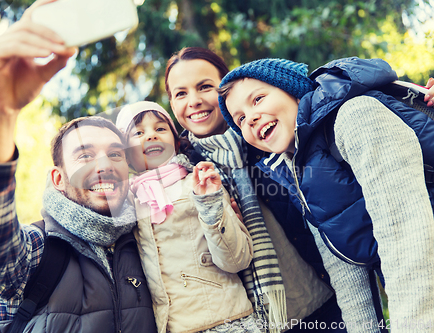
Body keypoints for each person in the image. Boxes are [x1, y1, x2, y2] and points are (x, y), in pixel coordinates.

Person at [0, 0, 157, 331]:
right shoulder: (38, 251)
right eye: (85, 155)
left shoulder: (149, 244)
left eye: (116, 154)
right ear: (58, 179)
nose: (104, 165)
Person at [218, 57, 434, 333]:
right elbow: (346, 273)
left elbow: (406, 234)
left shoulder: (355, 116)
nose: (250, 119)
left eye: (258, 99)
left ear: (291, 89)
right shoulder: (296, 170)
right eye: (240, 119)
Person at [164, 47, 343, 332]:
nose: (194, 101)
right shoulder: (177, 174)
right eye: (181, 93)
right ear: (172, 103)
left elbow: (326, 105)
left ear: (225, 90)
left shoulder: (268, 132)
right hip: (252, 322)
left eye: (205, 87)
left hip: (322, 297)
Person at [116, 101, 260, 333]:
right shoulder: (125, 201)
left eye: (160, 128)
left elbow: (237, 261)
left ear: (175, 140)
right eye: (138, 132)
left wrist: (210, 205)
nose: (151, 136)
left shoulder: (201, 183)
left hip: (226, 320)